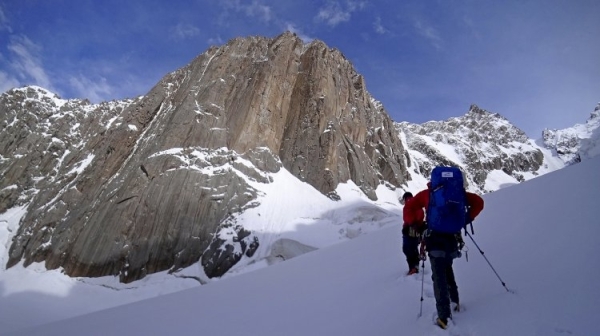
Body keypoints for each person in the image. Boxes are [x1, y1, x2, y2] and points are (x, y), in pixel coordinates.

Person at [404, 182, 484, 330]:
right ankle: (454, 302)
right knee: (447, 268)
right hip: (452, 241)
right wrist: (464, 220)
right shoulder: (456, 193)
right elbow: (479, 203)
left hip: (434, 241)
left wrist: (416, 225)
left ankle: (444, 317)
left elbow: (409, 207)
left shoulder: (428, 194)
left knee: (438, 277)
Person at [401, 192, 425, 275]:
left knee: (407, 249)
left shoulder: (408, 205)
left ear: (405, 198)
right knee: (413, 248)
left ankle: (413, 268)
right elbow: (421, 215)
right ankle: (415, 266)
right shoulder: (417, 204)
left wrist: (411, 223)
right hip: (417, 231)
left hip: (408, 231)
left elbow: (407, 218)